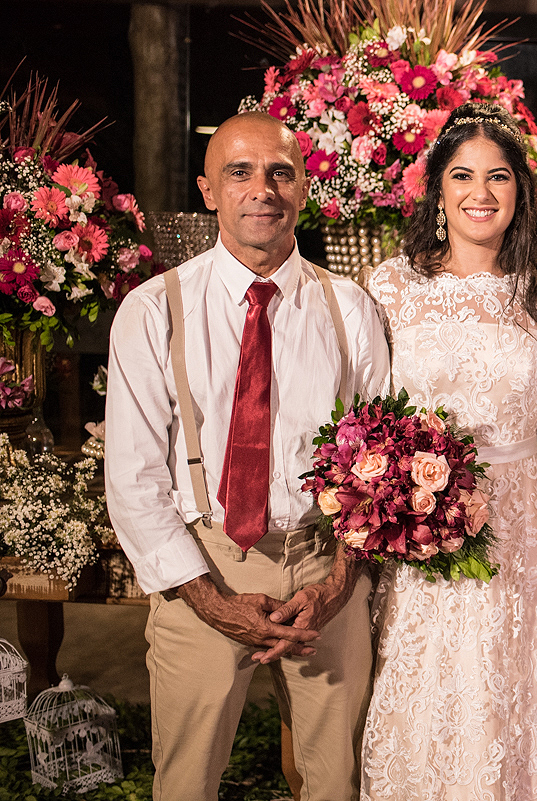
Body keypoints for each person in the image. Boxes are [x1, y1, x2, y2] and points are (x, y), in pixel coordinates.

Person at [105, 111, 390, 801]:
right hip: (203, 564)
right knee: (187, 783)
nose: (262, 188)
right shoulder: (153, 311)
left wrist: (336, 587)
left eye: (280, 172)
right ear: (209, 191)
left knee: (337, 782)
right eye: (240, 172)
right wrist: (210, 599)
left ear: (303, 190)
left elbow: (380, 468)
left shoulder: (350, 309)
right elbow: (134, 480)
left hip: (326, 565)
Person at [359, 102, 537, 799]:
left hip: (518, 517)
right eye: (463, 175)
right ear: (437, 190)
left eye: (499, 177)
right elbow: (363, 410)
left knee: (516, 684)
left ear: (521, 192)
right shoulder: (390, 287)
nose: (481, 192)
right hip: (421, 525)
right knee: (432, 683)